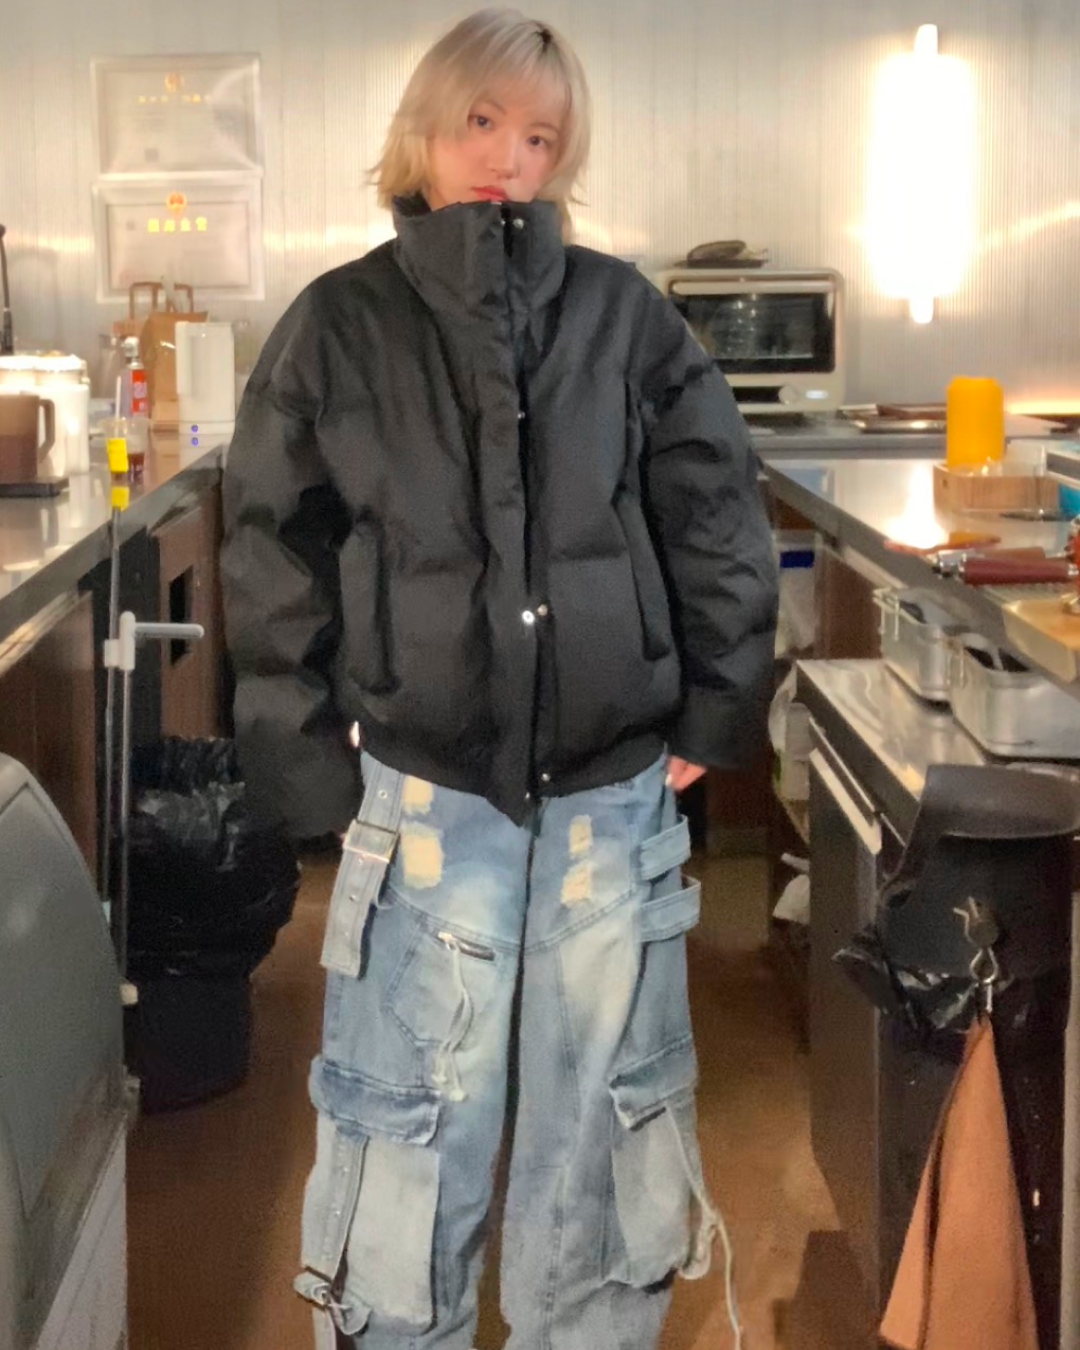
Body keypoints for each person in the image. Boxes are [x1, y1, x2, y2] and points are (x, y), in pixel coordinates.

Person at [221, 10, 777, 1349]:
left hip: (610, 795)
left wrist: (716, 705)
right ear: (426, 126)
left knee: (606, 1120)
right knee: (406, 1120)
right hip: (426, 793)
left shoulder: (624, 314)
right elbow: (271, 542)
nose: (507, 159)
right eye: (483, 122)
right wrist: (305, 755)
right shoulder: (338, 323)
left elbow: (714, 511)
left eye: (538, 137)